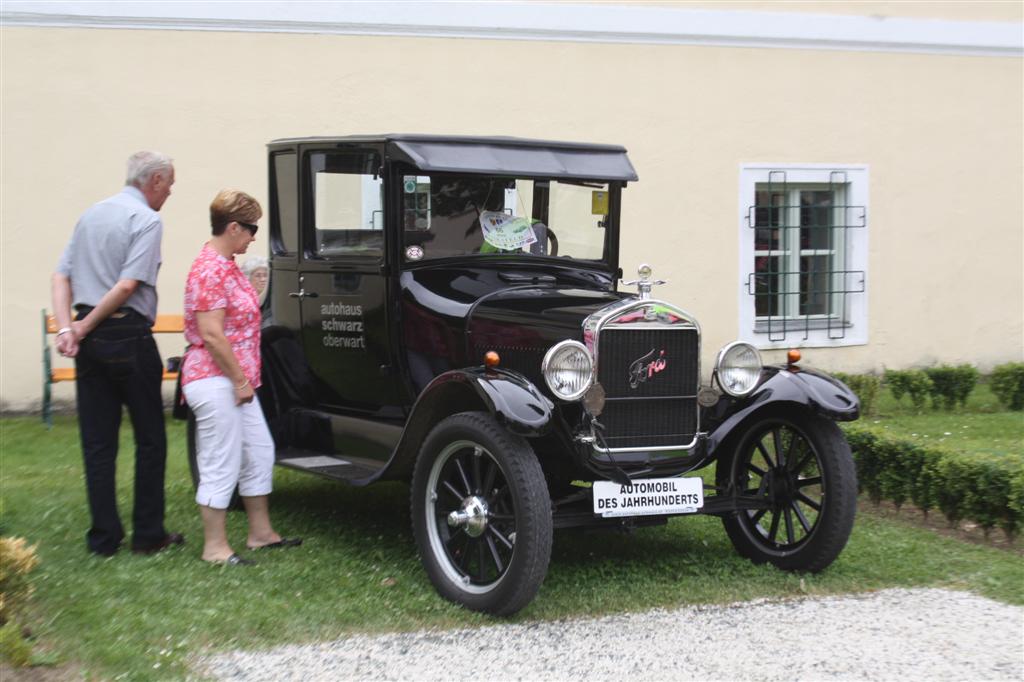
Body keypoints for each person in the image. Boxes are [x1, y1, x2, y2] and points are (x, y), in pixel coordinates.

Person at [50, 150, 184, 557]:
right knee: (150, 439)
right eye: (170, 184)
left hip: (88, 339)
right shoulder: (146, 219)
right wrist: (83, 328)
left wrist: (68, 328)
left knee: (98, 442)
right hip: (126, 334)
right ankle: (148, 535)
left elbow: (61, 274)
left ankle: (104, 539)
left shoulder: (92, 214)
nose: (171, 192)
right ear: (155, 180)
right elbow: (127, 286)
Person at [181, 189, 300, 565]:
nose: (253, 236)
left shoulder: (227, 264)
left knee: (260, 451)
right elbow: (212, 334)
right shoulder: (209, 269)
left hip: (235, 382)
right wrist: (239, 380)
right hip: (216, 380)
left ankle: (260, 534)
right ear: (233, 227)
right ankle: (214, 547)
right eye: (251, 228)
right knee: (221, 459)